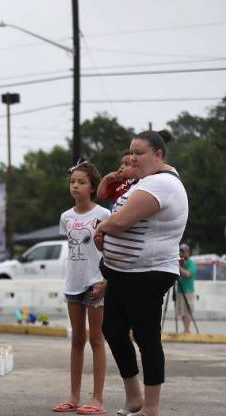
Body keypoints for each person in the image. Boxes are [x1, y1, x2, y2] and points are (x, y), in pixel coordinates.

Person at [94, 130, 188, 416]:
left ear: (158, 155)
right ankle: (133, 396)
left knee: (147, 339)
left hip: (148, 273)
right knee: (112, 329)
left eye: (140, 152)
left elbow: (121, 221)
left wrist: (102, 228)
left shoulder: (162, 184)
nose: (133, 157)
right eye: (131, 152)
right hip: (123, 272)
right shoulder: (145, 181)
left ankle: (151, 407)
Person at [53, 161, 110, 415]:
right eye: (72, 182)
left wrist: (105, 282)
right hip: (73, 283)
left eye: (81, 182)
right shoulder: (66, 217)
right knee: (77, 339)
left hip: (96, 282)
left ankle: (97, 399)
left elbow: (110, 252)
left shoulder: (104, 215)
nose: (75, 186)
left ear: (93, 187)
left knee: (96, 339)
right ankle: (73, 396)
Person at [176, 243, 197, 334]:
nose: (182, 253)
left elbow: (188, 274)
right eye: (181, 251)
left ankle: (187, 330)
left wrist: (178, 267)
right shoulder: (179, 261)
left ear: (188, 252)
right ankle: (185, 329)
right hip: (180, 290)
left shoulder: (191, 263)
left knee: (188, 311)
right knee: (181, 312)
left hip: (188, 291)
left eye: (184, 251)